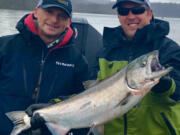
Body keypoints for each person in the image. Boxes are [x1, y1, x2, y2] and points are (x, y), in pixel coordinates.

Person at [0, 0, 90, 134]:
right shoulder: (5, 47)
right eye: (49, 11)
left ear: (68, 22)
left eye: (62, 16)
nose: (54, 20)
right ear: (36, 12)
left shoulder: (78, 60)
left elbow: (82, 102)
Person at [90, 0, 180, 135]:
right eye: (123, 11)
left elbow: (177, 90)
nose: (131, 16)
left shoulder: (169, 49)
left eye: (137, 10)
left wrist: (166, 86)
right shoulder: (104, 53)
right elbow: (90, 89)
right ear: (119, 16)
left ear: (150, 14)